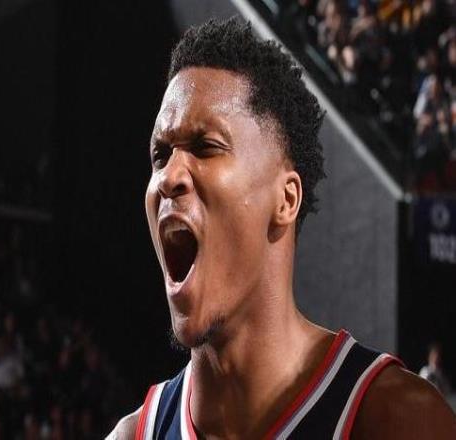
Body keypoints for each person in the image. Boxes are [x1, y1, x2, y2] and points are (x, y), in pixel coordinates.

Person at [107, 18, 456, 439]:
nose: (168, 176)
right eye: (160, 155)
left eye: (205, 147)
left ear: (286, 200)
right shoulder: (133, 434)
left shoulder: (396, 420)